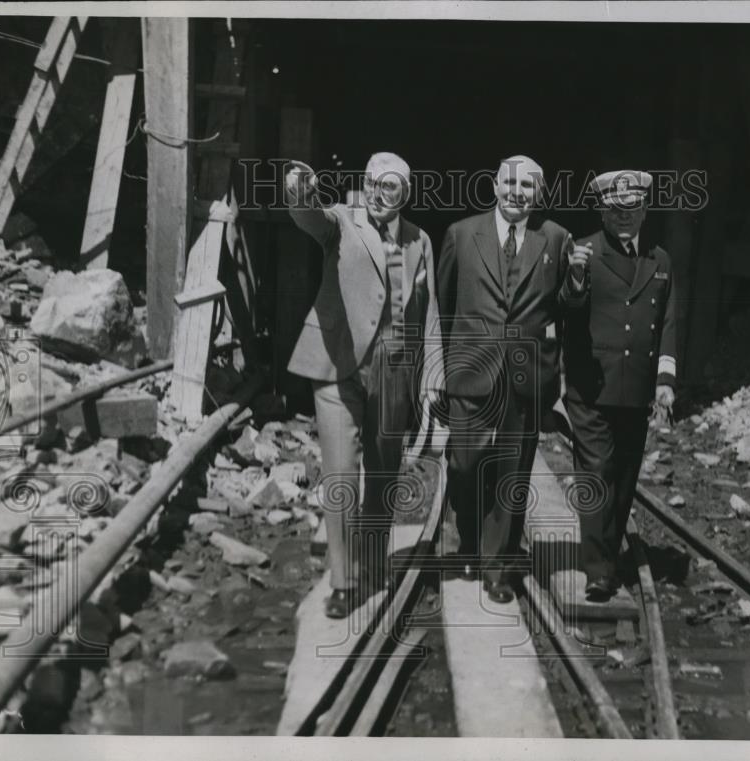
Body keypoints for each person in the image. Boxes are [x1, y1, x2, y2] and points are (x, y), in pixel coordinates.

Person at [285, 152, 443, 618]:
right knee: (339, 477)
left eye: (388, 186)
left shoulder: (420, 241)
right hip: (338, 367)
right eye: (371, 182)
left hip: (393, 373)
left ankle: (374, 565)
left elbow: (429, 310)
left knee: (382, 477)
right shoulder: (342, 220)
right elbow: (310, 217)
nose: (376, 192)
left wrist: (433, 376)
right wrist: (300, 192)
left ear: (405, 194)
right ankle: (343, 581)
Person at [437, 155, 572, 603]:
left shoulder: (554, 238)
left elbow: (567, 304)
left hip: (526, 375)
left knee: (512, 473)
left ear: (539, 194)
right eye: (509, 182)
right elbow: (443, 304)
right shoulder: (461, 234)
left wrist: (579, 279)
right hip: (470, 369)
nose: (517, 191)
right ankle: (470, 533)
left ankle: (497, 567)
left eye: (528, 185)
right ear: (494, 186)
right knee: (465, 463)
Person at [559, 170, 676, 602]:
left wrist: (665, 381)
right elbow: (569, 309)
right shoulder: (582, 252)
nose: (624, 218)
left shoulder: (660, 260)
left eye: (632, 210)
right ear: (603, 212)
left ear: (644, 210)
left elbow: (667, 322)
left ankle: (607, 553)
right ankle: (598, 570)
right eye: (615, 211)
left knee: (624, 478)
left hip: (636, 391)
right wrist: (574, 279)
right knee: (596, 475)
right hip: (592, 388)